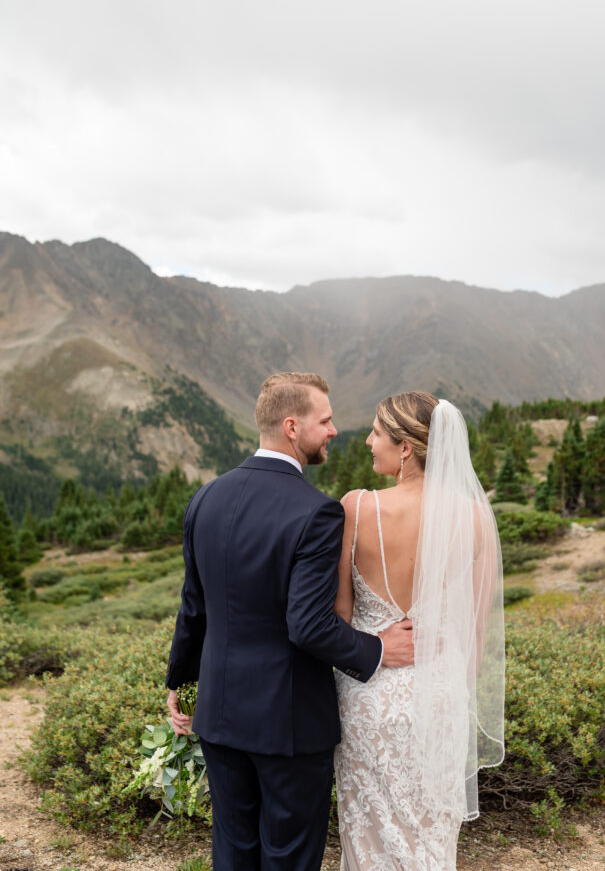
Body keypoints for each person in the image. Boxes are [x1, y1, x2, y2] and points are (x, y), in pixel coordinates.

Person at [165, 372, 414, 871]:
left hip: (219, 716)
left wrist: (180, 681)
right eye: (325, 421)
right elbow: (308, 626)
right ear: (291, 427)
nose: (334, 431)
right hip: (290, 725)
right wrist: (380, 648)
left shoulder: (204, 499)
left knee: (233, 850)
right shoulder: (317, 513)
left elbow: (195, 605)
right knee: (289, 857)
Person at [334, 392, 505, 870]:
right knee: (431, 842)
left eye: (375, 432)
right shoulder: (474, 517)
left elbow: (339, 622)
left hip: (368, 699)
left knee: (369, 840)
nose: (368, 441)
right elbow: (475, 635)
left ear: (406, 446)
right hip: (440, 697)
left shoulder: (357, 509)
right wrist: (454, 695)